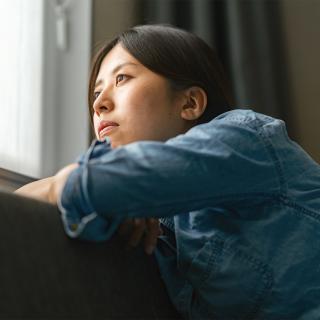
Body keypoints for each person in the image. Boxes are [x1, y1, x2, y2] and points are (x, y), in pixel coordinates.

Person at [15, 24, 320, 319]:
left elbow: (85, 186)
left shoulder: (246, 138)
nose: (100, 104)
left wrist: (71, 184)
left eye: (122, 78)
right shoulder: (158, 224)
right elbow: (16, 212)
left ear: (190, 102)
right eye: (96, 93)